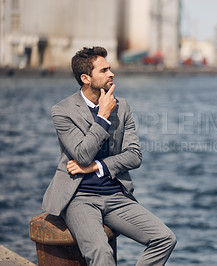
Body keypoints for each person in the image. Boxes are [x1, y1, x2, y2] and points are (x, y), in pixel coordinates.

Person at [42, 46, 176, 265]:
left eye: (110, 68)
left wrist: (96, 166)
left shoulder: (122, 107)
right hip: (79, 197)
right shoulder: (63, 111)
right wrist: (102, 116)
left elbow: (134, 156)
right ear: (86, 78)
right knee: (101, 253)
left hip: (116, 196)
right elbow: (82, 154)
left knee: (165, 238)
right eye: (103, 70)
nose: (111, 73)